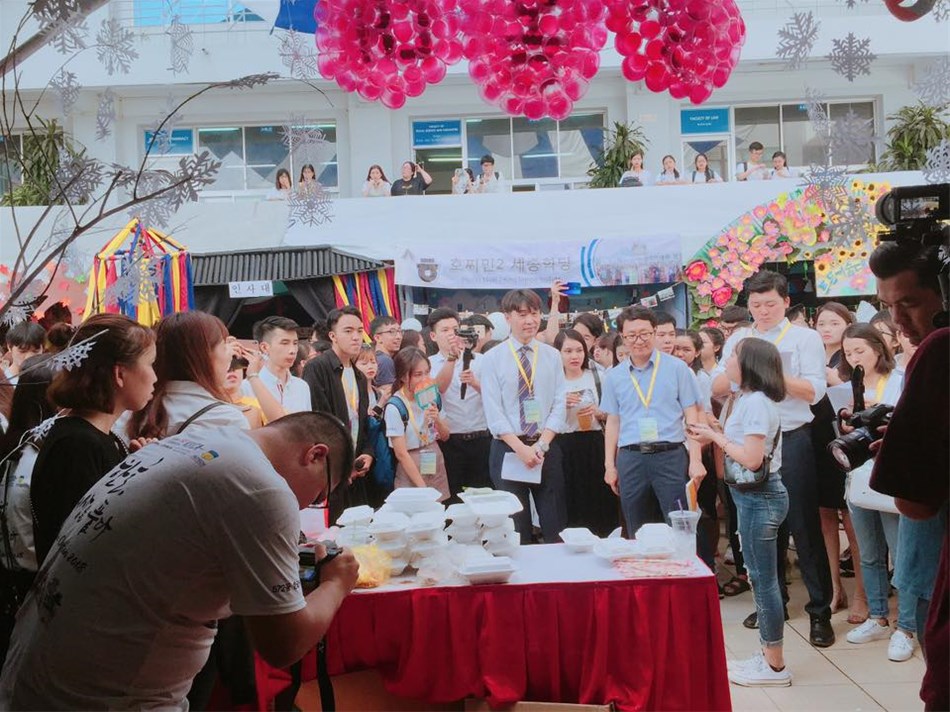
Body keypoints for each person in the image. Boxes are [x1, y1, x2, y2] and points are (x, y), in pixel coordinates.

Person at [0, 412, 358, 709]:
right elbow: (283, 645)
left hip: (35, 677)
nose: (305, 506)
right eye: (318, 495)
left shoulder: (194, 443)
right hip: (104, 696)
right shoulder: (261, 486)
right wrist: (336, 583)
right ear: (316, 455)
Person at [712, 270, 834, 647]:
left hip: (792, 437)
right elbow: (717, 386)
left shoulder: (804, 338)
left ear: (785, 302)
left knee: (803, 524)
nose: (763, 311)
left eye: (770, 304)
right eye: (756, 305)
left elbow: (814, 391)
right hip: (750, 440)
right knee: (762, 526)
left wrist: (770, 374)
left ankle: (820, 611)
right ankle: (773, 602)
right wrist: (740, 372)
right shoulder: (740, 338)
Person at [869, 241, 948, 710]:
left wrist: (907, 455)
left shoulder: (940, 348)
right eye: (888, 306)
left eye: (910, 303)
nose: (897, 320)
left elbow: (914, 504)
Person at [689, 338, 790, 687]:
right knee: (760, 577)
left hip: (761, 496)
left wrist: (716, 439)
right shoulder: (745, 399)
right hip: (749, 496)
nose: (727, 360)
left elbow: (752, 459)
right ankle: (767, 654)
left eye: (733, 355)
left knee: (763, 581)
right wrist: (713, 430)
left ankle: (775, 666)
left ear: (749, 364)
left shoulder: (757, 402)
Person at [30, 315, 156, 565]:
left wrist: (137, 468)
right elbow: (93, 543)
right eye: (151, 364)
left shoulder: (92, 436)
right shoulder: (78, 446)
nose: (155, 376)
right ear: (120, 374)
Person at [835, 324, 913, 658]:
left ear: (878, 349)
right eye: (848, 352)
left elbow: (908, 423)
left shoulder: (899, 381)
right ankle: (877, 616)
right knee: (868, 552)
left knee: (900, 551)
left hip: (891, 474)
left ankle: (906, 626)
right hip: (859, 475)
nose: (854, 358)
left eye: (860, 351)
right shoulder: (848, 387)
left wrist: (879, 409)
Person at [601, 306, 704, 537]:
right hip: (631, 459)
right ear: (623, 337)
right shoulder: (614, 377)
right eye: (631, 335)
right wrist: (610, 465)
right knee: (636, 526)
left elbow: (692, 415)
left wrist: (696, 460)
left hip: (670, 456)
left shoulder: (677, 368)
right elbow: (613, 422)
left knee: (679, 525)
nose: (639, 341)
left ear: (655, 332)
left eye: (644, 334)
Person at [479, 289, 568, 543]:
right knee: (515, 529)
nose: (530, 320)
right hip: (508, 448)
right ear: (507, 317)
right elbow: (493, 411)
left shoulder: (551, 355)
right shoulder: (492, 358)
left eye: (535, 313)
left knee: (554, 524)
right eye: (522, 314)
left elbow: (559, 402)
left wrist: (541, 445)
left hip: (545, 447)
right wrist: (521, 449)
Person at [811, 302, 865, 620]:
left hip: (847, 446)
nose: (827, 329)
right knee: (824, 516)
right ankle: (834, 589)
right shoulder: (811, 357)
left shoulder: (852, 360)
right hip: (817, 442)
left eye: (834, 322)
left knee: (852, 518)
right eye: (822, 323)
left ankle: (862, 593)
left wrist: (834, 381)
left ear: (847, 324)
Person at [127, 312, 248, 441]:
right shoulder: (224, 419)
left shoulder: (129, 411)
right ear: (202, 357)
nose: (230, 356)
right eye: (224, 346)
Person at [302, 306, 376, 515]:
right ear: (332, 336)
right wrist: (342, 465)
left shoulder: (359, 376)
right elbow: (319, 422)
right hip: (332, 471)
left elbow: (362, 421)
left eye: (359, 331)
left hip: (356, 468)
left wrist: (367, 453)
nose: (356, 337)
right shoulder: (318, 368)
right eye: (348, 331)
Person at [551, 329, 616, 537]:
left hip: (594, 443)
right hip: (562, 444)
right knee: (568, 497)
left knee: (598, 496)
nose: (575, 356)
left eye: (579, 350)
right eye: (568, 351)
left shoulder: (598, 376)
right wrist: (560, 404)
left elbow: (613, 413)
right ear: (558, 353)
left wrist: (599, 412)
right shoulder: (553, 380)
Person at [428, 308, 493, 500]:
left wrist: (475, 383)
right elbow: (437, 390)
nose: (451, 334)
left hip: (481, 438)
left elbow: (494, 396)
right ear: (433, 336)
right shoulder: (429, 364)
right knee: (453, 498)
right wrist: (451, 359)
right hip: (450, 441)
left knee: (483, 496)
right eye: (445, 330)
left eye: (455, 329)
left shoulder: (480, 361)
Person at [384, 347, 451, 500]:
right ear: (403, 376)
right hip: (411, 463)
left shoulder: (432, 395)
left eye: (427, 372)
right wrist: (423, 489)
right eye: (418, 374)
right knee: (416, 506)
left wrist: (437, 419)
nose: (424, 379)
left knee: (440, 507)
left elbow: (446, 436)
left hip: (433, 455)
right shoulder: (395, 406)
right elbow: (401, 453)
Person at [243, 316, 311, 417]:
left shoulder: (302, 387)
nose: (292, 350)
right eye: (285, 343)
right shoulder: (247, 387)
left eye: (295, 343)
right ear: (264, 347)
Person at [224, 356, 265, 429]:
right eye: (223, 364)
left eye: (236, 363)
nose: (231, 369)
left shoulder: (260, 406)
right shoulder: (205, 408)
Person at [369, 316, 401, 394]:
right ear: (377, 338)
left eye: (399, 331)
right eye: (392, 332)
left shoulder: (376, 357)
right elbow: (388, 394)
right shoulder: (385, 361)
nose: (399, 337)